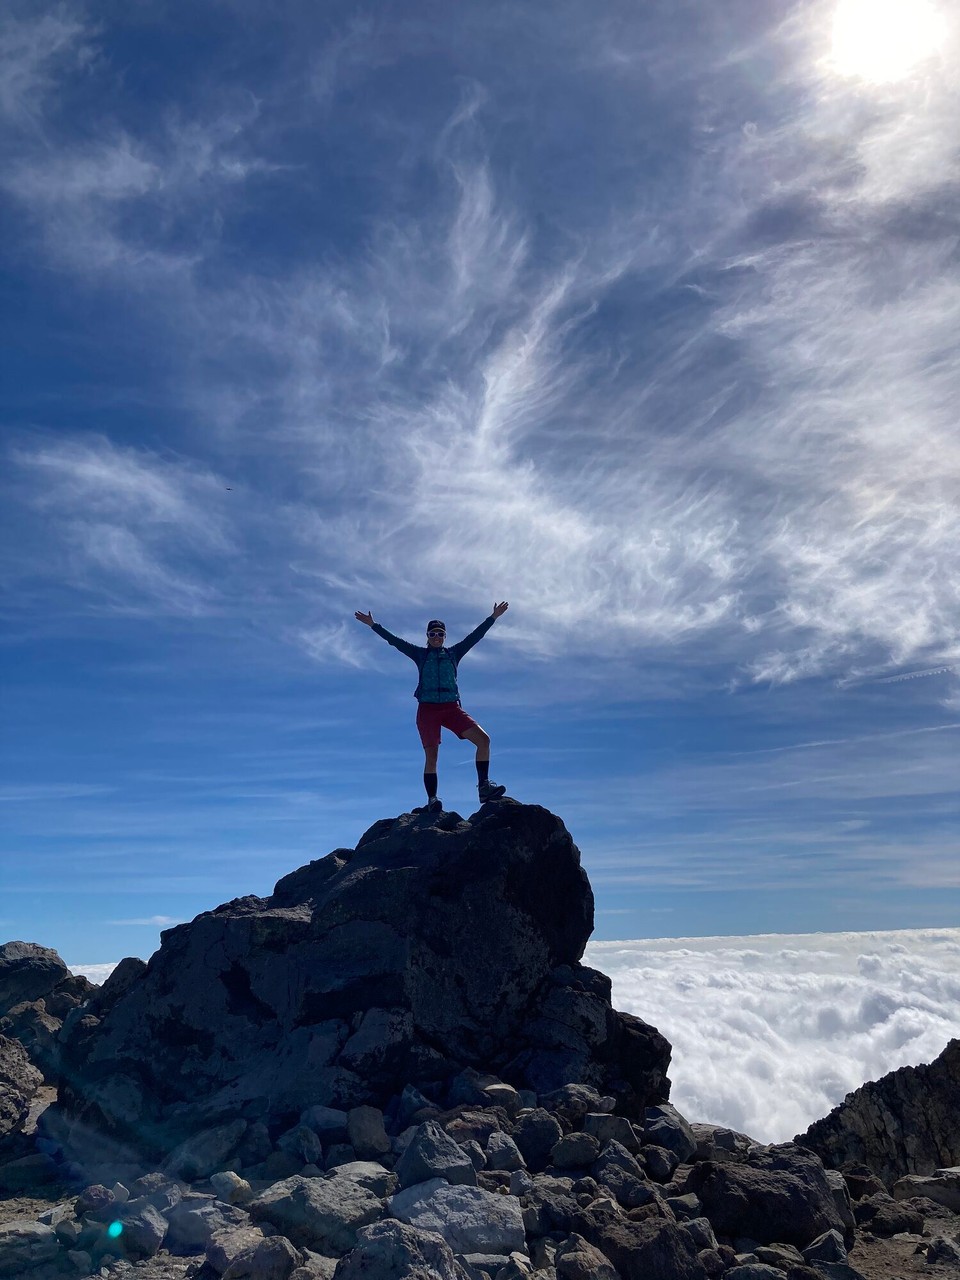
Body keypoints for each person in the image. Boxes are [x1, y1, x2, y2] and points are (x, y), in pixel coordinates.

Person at [354, 602, 510, 812]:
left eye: (440, 634)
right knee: (432, 756)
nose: (436, 637)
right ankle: (433, 799)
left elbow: (475, 636)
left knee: (484, 740)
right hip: (428, 710)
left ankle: (484, 787)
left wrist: (493, 617)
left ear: (445, 637)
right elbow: (395, 642)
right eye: (432, 634)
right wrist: (373, 625)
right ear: (427, 636)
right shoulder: (421, 655)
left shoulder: (454, 653)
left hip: (451, 708)